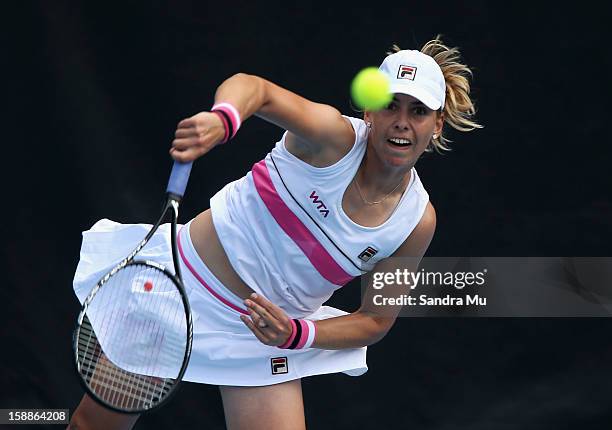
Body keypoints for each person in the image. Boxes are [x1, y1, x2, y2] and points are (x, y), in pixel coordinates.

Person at [68, 36, 482, 430]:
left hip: (261, 337)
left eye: (418, 111)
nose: (402, 123)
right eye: (391, 106)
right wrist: (223, 118)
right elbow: (256, 89)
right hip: (179, 286)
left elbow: (374, 320)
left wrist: (299, 334)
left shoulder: (416, 221)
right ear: (370, 113)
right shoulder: (330, 138)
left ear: (437, 124)